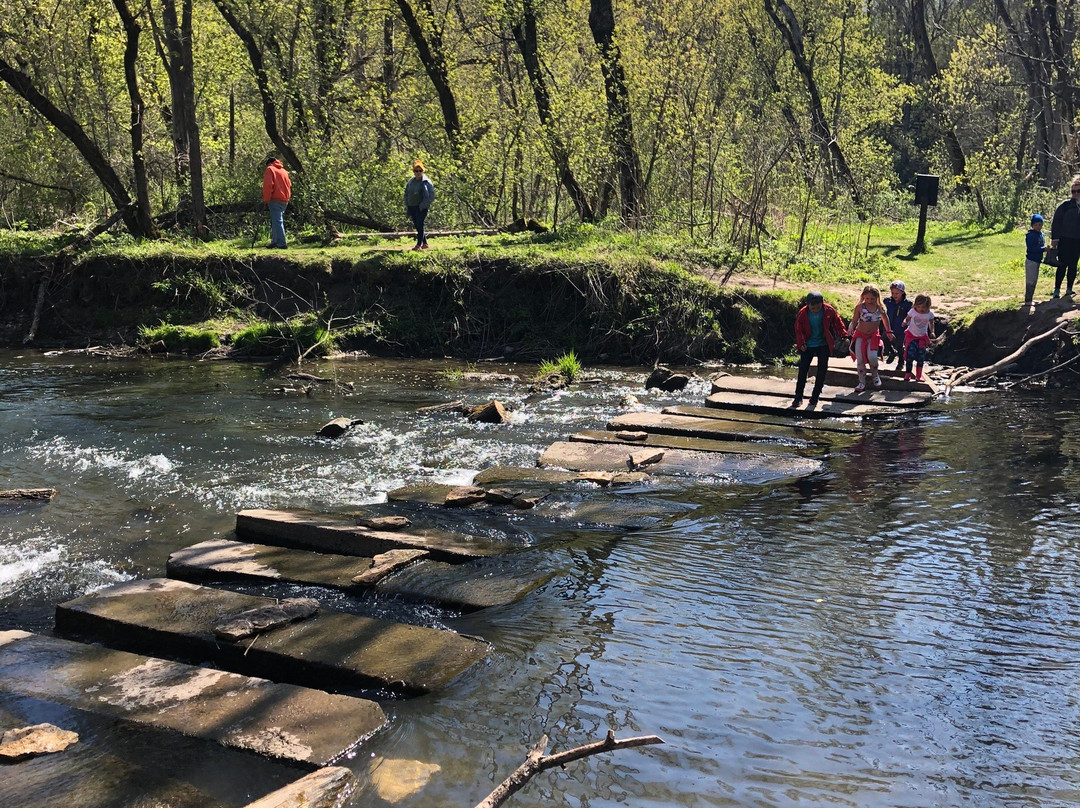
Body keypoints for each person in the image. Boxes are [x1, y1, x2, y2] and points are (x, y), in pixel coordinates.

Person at [790, 291, 848, 408]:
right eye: (813, 308)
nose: (815, 310)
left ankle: (815, 396)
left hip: (823, 344)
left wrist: (844, 335)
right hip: (808, 344)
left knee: (822, 369)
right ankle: (798, 396)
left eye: (818, 307)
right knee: (803, 370)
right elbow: (798, 329)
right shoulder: (802, 314)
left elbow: (837, 322)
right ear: (808, 305)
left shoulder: (829, 310)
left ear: (822, 303)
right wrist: (801, 343)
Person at [848, 284, 893, 392]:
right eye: (867, 298)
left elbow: (885, 320)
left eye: (872, 299)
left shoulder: (879, 308)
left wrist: (888, 332)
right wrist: (851, 327)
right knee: (860, 359)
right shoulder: (860, 307)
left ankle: (875, 375)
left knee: (872, 356)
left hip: (873, 337)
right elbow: (854, 320)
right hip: (860, 335)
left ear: (877, 297)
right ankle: (861, 381)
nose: (869, 301)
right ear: (863, 296)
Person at [1050, 175, 1080, 298]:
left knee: (1073, 265)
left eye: (1078, 191)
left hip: (1077, 240)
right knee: (1062, 264)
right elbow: (1056, 222)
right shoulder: (1065, 205)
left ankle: (1069, 289)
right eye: (1073, 191)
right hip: (1064, 239)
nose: (1075, 194)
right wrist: (1055, 239)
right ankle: (1057, 290)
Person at [902, 294, 936, 381]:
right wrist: (905, 322)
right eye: (919, 306)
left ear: (928, 306)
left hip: (922, 338)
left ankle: (918, 375)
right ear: (915, 305)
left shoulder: (929, 314)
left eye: (923, 307)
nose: (921, 309)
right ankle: (908, 374)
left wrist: (932, 331)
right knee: (910, 356)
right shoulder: (913, 311)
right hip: (911, 337)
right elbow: (907, 318)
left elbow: (931, 323)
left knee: (921, 357)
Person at [404, 160, 435, 250]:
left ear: (423, 171)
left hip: (421, 207)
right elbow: (406, 193)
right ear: (414, 172)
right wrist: (407, 203)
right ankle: (425, 243)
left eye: (420, 171)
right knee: (417, 225)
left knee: (420, 224)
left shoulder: (426, 182)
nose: (418, 173)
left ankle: (418, 245)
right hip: (412, 206)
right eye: (416, 171)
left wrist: (423, 205)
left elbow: (431, 196)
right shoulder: (411, 181)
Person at [262, 156, 292, 249]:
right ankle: (275, 241)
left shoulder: (270, 169)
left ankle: (282, 243)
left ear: (269, 163)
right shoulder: (284, 171)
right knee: (276, 221)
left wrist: (266, 199)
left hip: (275, 199)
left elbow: (268, 185)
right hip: (284, 200)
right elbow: (289, 185)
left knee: (277, 221)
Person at [882, 280, 912, 368]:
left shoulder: (907, 304)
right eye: (892, 293)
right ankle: (891, 352)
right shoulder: (887, 301)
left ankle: (901, 361)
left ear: (902, 292)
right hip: (888, 327)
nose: (894, 295)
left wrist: (906, 323)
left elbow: (910, 315)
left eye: (897, 293)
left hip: (901, 329)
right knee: (884, 340)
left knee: (899, 345)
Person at [1025, 214, 1046, 306]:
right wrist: (1043, 249)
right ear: (1032, 225)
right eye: (1036, 225)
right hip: (1031, 260)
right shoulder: (1031, 235)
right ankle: (1028, 300)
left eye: (1040, 224)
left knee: (1034, 280)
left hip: (1037, 260)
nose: (1038, 226)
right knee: (1031, 280)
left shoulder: (1041, 235)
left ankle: (1030, 298)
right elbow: (1031, 249)